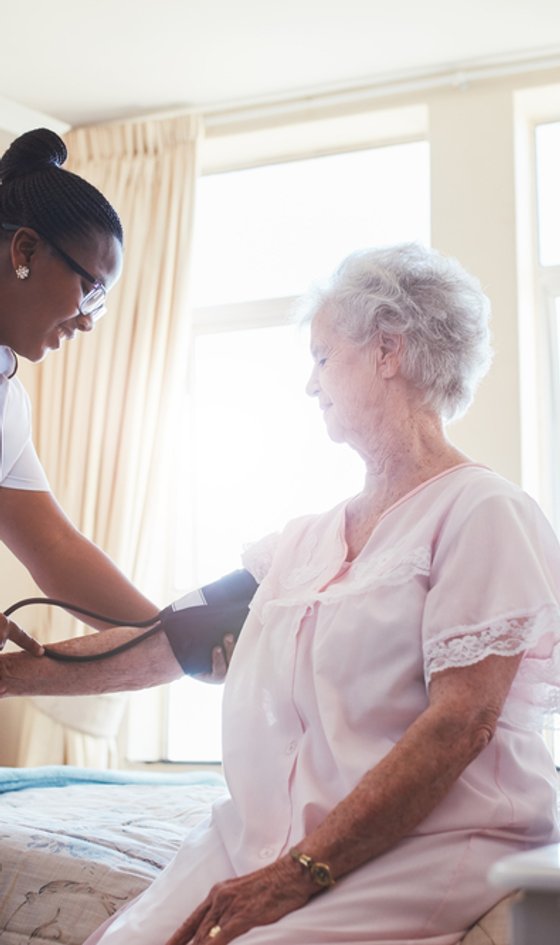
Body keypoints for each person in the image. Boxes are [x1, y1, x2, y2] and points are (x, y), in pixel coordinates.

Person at [2, 242, 560, 945]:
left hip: (426, 839)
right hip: (271, 837)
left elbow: (461, 723)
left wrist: (300, 872)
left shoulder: (482, 510)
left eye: (322, 358)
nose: (310, 385)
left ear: (388, 350)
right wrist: (10, 675)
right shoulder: (303, 542)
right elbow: (166, 643)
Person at [0, 127, 231, 681]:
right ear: (25, 251)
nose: (87, 321)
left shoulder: (7, 403)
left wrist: (179, 642)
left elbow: (55, 548)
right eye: (90, 289)